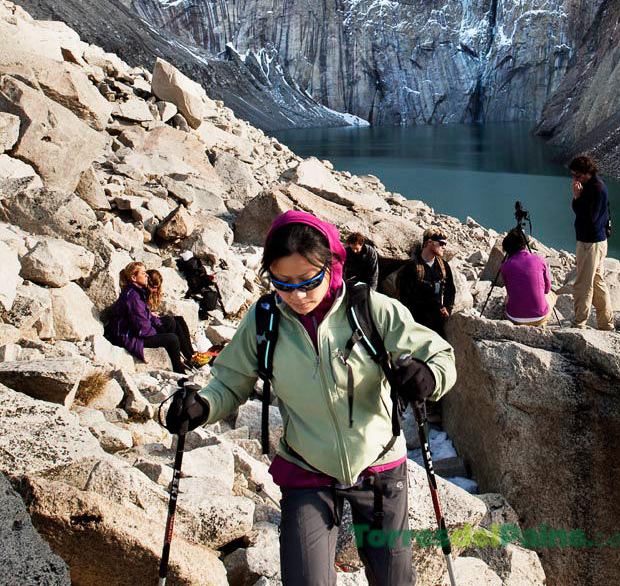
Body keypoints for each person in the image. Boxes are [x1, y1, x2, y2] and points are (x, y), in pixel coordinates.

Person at [164, 210, 456, 586]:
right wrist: (202, 405)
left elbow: (441, 355)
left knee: (394, 577)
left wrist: (428, 376)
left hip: (379, 465)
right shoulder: (264, 319)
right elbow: (231, 381)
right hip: (306, 466)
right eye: (281, 282)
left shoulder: (369, 309)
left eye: (308, 280)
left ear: (332, 265)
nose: (296, 295)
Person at [104, 262, 194, 372]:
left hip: (135, 331)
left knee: (173, 321)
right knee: (172, 339)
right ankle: (179, 371)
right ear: (134, 277)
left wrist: (158, 324)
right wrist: (161, 332)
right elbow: (142, 328)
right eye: (143, 273)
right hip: (128, 336)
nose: (147, 275)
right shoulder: (133, 297)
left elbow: (146, 316)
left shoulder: (136, 292)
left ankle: (191, 357)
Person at [569, 154, 614, 331]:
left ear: (588, 172)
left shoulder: (595, 189)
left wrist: (576, 197)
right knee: (597, 281)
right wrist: (578, 197)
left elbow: (589, 217)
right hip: (596, 241)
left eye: (578, 175)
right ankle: (606, 323)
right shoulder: (593, 186)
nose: (575, 179)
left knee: (583, 283)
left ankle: (579, 322)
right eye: (573, 176)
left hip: (590, 242)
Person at [398, 228, 456, 336]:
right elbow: (406, 298)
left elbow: (450, 290)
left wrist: (448, 308)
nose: (444, 247)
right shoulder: (412, 268)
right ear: (429, 242)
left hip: (437, 322)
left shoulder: (443, 266)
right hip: (416, 323)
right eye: (441, 243)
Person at [499, 228, 557, 327]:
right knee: (552, 295)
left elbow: (509, 291)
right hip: (539, 317)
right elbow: (547, 289)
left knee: (508, 297)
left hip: (514, 317)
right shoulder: (539, 259)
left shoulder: (505, 266)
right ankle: (541, 324)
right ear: (524, 244)